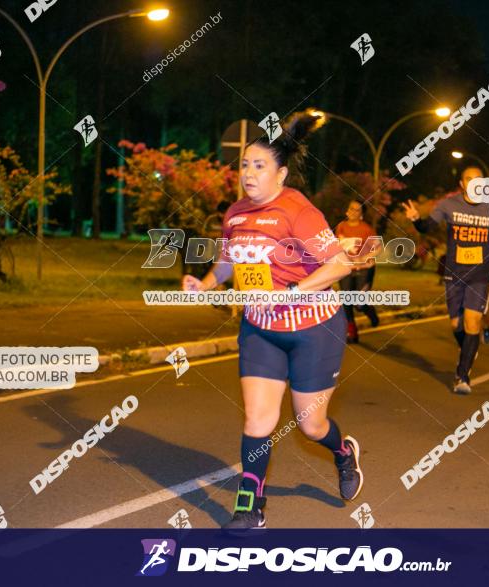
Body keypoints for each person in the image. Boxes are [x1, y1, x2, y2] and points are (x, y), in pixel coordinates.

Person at [182, 112, 364, 532]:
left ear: (280, 174)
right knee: (257, 419)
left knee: (309, 424)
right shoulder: (235, 214)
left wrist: (293, 292)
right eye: (244, 164)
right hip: (261, 328)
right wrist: (206, 283)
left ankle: (343, 453)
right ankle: (250, 507)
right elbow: (228, 261)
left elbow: (339, 265)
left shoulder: (297, 209)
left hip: (312, 329)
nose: (248, 172)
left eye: (259, 165)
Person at [402, 165, 489, 394]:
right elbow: (428, 227)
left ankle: (462, 375)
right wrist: (416, 219)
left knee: (472, 322)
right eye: (470, 179)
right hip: (455, 273)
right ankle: (470, 346)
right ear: (462, 183)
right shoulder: (448, 205)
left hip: (480, 274)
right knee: (456, 325)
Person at [336, 199, 380, 343]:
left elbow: (379, 248)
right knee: (347, 301)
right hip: (347, 269)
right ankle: (352, 333)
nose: (353, 212)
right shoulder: (341, 227)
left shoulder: (367, 229)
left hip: (364, 269)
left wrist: (365, 257)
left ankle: (370, 313)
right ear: (347, 210)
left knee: (359, 304)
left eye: (357, 210)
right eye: (351, 208)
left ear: (361, 214)